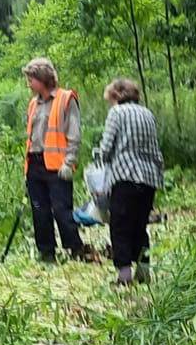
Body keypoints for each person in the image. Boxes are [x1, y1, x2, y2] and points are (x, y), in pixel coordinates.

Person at [93, 78, 162, 286]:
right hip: (149, 178)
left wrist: (99, 157)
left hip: (125, 176)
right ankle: (144, 272)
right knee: (140, 225)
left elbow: (106, 148)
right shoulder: (147, 113)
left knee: (120, 226)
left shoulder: (116, 113)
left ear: (116, 96)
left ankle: (124, 276)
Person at [20, 57, 90, 264]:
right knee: (39, 211)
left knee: (62, 210)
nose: (28, 84)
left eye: (31, 79)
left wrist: (70, 161)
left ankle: (75, 248)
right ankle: (47, 253)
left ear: (43, 79)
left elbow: (74, 133)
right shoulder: (33, 103)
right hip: (35, 163)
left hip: (58, 166)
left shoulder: (66, 99)